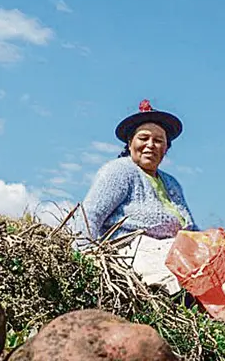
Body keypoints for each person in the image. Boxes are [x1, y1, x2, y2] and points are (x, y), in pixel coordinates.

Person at [79, 99, 198, 294]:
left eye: (158, 140)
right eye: (143, 138)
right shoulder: (119, 171)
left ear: (166, 148)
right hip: (135, 249)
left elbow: (191, 228)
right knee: (179, 283)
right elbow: (90, 214)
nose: (150, 145)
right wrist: (85, 256)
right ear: (130, 143)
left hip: (176, 251)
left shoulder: (172, 183)